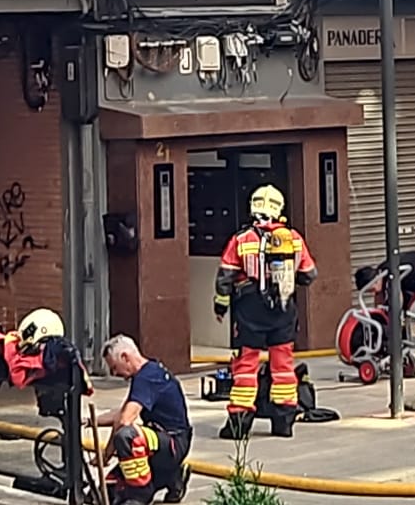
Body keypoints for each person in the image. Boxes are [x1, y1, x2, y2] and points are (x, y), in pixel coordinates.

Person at [214, 184, 316, 440]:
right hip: (283, 309)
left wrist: (220, 306)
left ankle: (239, 424)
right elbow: (309, 275)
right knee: (283, 367)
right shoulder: (293, 238)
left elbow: (225, 278)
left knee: (246, 366)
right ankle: (283, 423)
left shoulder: (242, 239)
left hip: (250, 311)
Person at [88, 335, 192, 505]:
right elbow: (123, 411)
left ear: (125, 357)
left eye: (114, 367)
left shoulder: (147, 377)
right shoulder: (148, 373)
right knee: (104, 492)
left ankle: (140, 493)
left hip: (172, 442)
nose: (115, 374)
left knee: (127, 436)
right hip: (160, 443)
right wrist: (91, 421)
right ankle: (172, 476)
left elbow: (124, 421)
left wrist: (106, 455)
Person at [353, 250, 415, 369]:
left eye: (371, 290)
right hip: (414, 281)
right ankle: (401, 349)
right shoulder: (382, 275)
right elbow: (381, 306)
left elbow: (397, 299)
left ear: (373, 281)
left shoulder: (392, 274)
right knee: (398, 313)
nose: (373, 293)